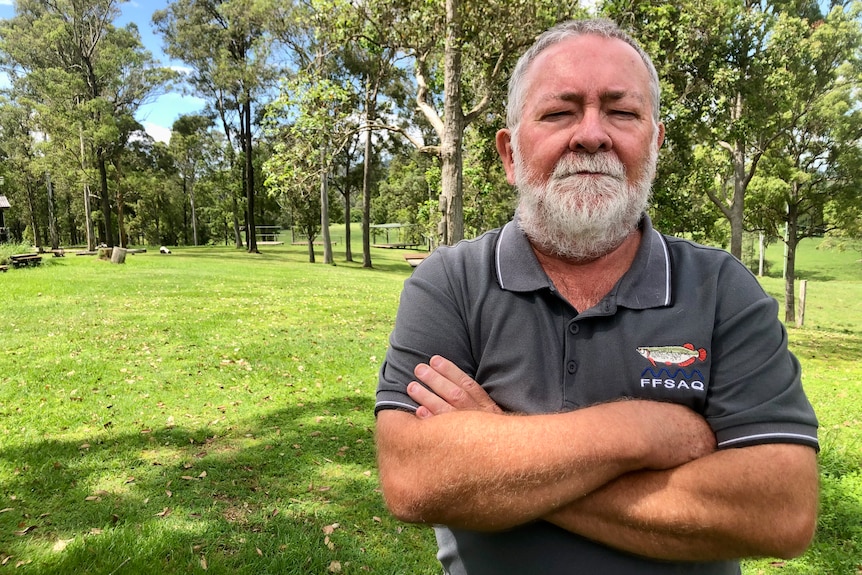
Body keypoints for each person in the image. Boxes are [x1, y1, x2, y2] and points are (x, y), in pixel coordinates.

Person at [374, 18, 819, 575]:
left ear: (653, 145)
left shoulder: (723, 289)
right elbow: (415, 480)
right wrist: (645, 432)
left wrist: (500, 456)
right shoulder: (450, 283)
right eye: (559, 112)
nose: (591, 134)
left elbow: (779, 511)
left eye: (621, 112)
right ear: (510, 154)